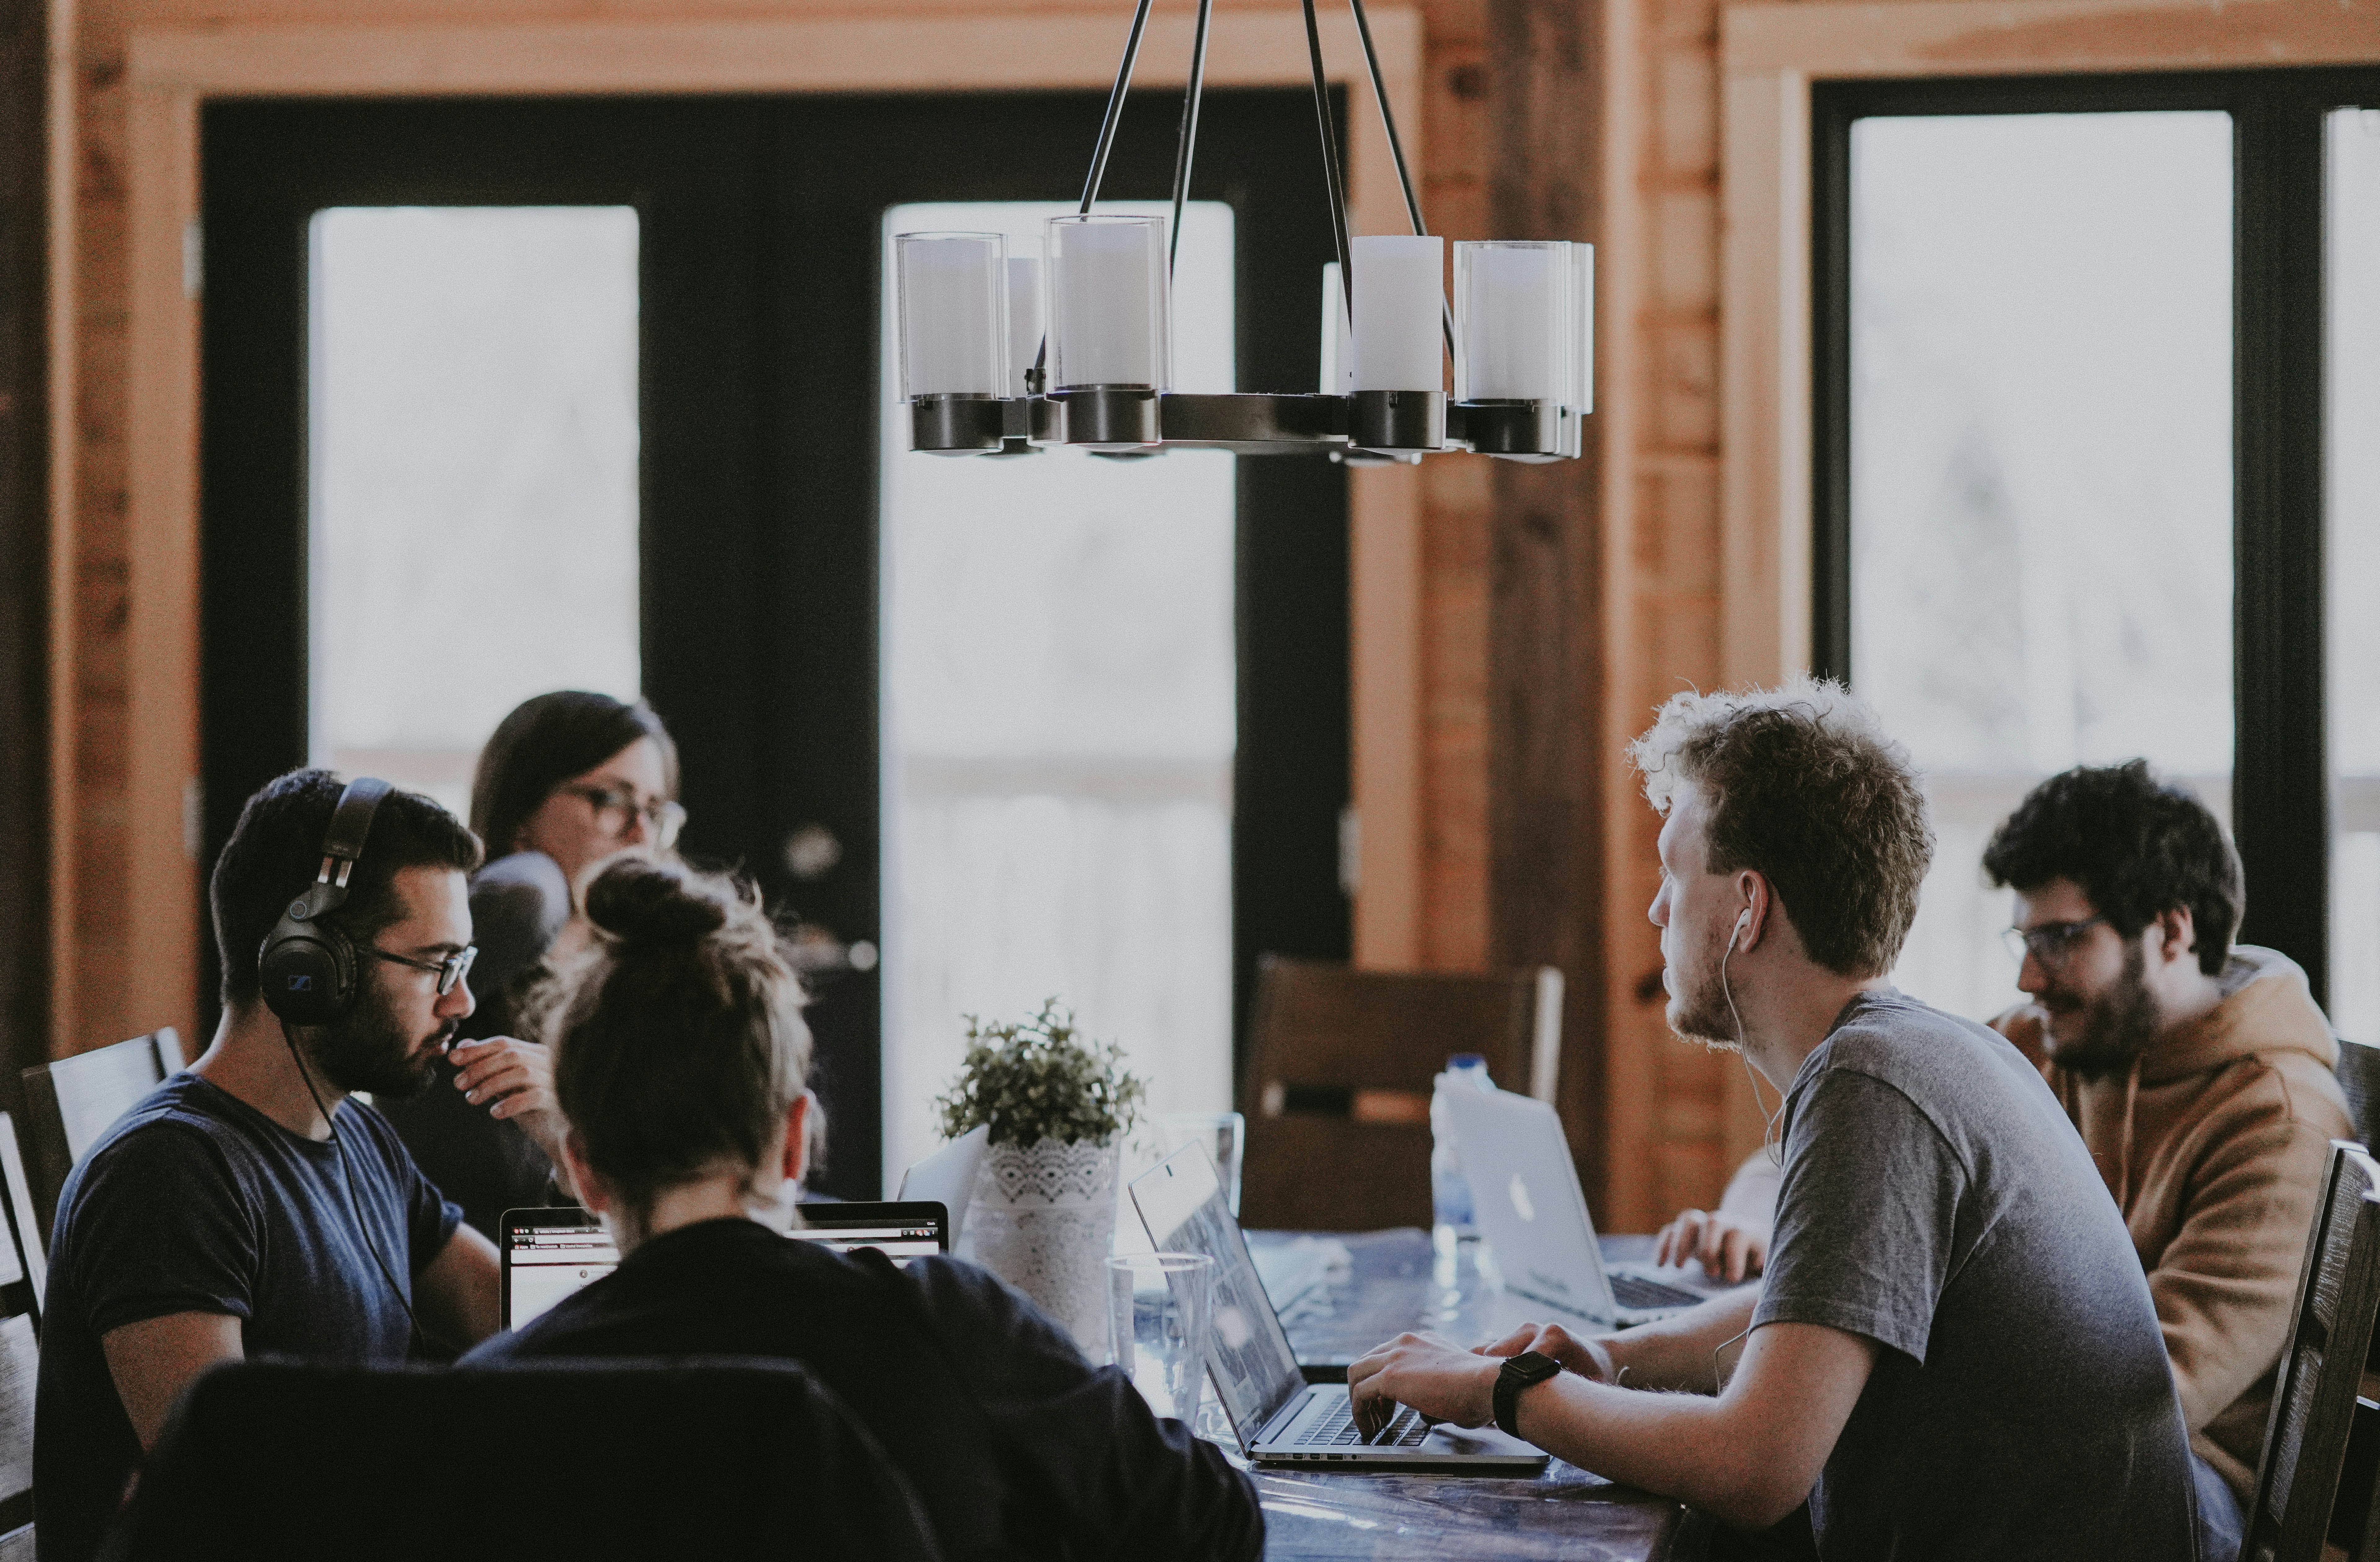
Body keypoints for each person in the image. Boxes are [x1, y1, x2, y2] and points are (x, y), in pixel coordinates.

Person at [1347, 681, 2197, 1560]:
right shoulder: (1929, 1050)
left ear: (1747, 907)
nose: (1656, 908)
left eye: (1673, 872)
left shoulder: (1870, 1082)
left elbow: (1754, 1464)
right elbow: (1819, 1301)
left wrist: (1498, 1389)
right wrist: (1610, 1355)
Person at [461, 854, 1264, 1562]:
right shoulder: (946, 1323)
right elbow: (1215, 1523)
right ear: (793, 1138)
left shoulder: (491, 1399)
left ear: (583, 1167)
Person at [1652, 760, 2345, 1553]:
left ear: (2172, 929)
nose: (2026, 974)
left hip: (2182, 1494)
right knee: (1728, 1490)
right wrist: (1749, 1220)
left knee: (1761, 1475)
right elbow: (1853, 1148)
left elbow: (2146, 1392)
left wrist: (1821, 1366)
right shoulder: (2038, 1039)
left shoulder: (2279, 1117)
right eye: (2022, 937)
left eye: (2059, 938)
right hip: (2044, 1448)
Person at [34, 770, 561, 1562]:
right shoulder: (168, 1174)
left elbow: (542, 1326)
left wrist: (574, 1139)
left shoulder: (358, 1137)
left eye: (464, 964)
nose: (460, 1004)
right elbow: (228, 1503)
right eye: (435, 965)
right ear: (307, 966)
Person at [381, 691, 682, 1240]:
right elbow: (522, 896)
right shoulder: (485, 943)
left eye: (657, 812)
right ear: (522, 808)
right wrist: (539, 874)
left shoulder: (649, 972)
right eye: (612, 800)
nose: (641, 834)